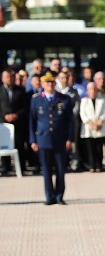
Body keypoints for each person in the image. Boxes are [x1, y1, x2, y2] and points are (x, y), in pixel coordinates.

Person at [29, 72, 74, 204]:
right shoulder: (36, 99)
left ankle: (59, 195)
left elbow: (70, 121)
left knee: (60, 170)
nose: (49, 84)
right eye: (47, 82)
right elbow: (32, 120)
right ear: (42, 84)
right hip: (43, 139)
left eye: (52, 82)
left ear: (55, 83)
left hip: (60, 139)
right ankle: (49, 196)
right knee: (47, 170)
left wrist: (70, 138)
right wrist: (33, 140)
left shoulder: (64, 99)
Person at [0, 68, 32, 174]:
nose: (9, 79)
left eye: (11, 77)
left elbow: (25, 107)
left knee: (19, 145)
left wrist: (16, 115)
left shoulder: (21, 91)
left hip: (18, 122)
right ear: (2, 78)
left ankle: (21, 167)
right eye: (7, 77)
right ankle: (6, 167)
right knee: (3, 144)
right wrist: (4, 116)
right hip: (3, 123)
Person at [79, 82, 105, 172]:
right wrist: (92, 124)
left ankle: (99, 165)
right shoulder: (84, 101)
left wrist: (99, 123)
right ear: (87, 91)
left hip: (100, 127)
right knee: (90, 149)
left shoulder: (101, 100)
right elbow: (83, 114)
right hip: (89, 128)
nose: (93, 91)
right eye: (90, 89)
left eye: (94, 89)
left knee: (99, 148)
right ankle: (92, 165)